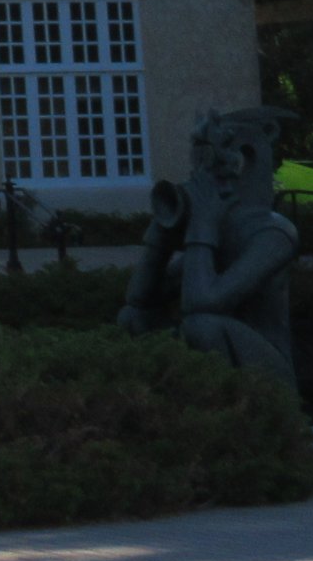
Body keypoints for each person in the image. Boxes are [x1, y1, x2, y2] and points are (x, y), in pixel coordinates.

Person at [117, 106, 300, 385]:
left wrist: (202, 224)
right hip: (215, 334)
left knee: (202, 326)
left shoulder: (274, 233)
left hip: (267, 371)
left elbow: (202, 303)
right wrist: (162, 231)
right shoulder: (219, 230)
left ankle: (232, 412)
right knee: (133, 318)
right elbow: (139, 298)